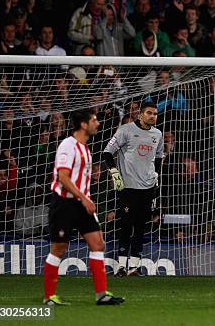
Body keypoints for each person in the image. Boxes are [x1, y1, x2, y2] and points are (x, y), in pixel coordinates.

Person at [43, 109, 124, 306]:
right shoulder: (68, 145)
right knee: (59, 248)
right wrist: (84, 198)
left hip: (82, 203)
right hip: (64, 203)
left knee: (98, 244)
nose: (98, 123)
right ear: (83, 125)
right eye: (94, 120)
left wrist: (86, 200)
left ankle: (102, 294)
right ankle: (49, 296)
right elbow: (63, 177)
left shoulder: (85, 148)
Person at [103, 102, 164, 277]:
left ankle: (134, 267)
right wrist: (114, 171)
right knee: (126, 224)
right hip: (128, 186)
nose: (153, 116)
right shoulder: (125, 130)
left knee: (140, 226)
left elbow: (159, 156)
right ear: (140, 114)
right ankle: (121, 266)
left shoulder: (157, 134)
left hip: (148, 186)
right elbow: (107, 152)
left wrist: (157, 174)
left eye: (155, 114)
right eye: (149, 113)